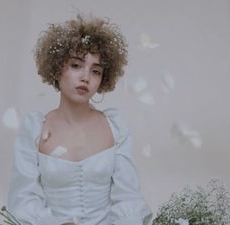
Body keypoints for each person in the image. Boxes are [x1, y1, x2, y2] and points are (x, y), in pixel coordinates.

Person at [8, 14, 152, 225]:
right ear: (57, 69)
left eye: (96, 71)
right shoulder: (34, 130)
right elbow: (23, 201)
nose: (86, 77)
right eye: (76, 65)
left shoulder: (115, 127)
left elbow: (128, 197)